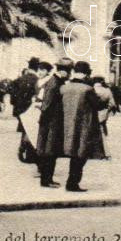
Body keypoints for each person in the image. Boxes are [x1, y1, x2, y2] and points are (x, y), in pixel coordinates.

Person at [60, 61, 104, 192]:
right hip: (84, 126)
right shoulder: (87, 89)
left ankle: (70, 182)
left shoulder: (64, 88)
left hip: (67, 125)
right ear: (86, 74)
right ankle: (72, 183)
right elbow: (98, 105)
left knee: (73, 153)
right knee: (81, 155)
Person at [37, 58, 72, 188]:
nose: (70, 74)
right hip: (51, 123)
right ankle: (46, 180)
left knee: (51, 152)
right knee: (49, 152)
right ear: (64, 71)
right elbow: (46, 105)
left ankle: (48, 179)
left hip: (52, 122)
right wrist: (45, 123)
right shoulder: (54, 83)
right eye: (69, 71)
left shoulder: (56, 81)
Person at [11, 57, 40, 130]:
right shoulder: (37, 79)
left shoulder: (20, 79)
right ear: (37, 68)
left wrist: (15, 103)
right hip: (29, 108)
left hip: (19, 106)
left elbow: (13, 93)